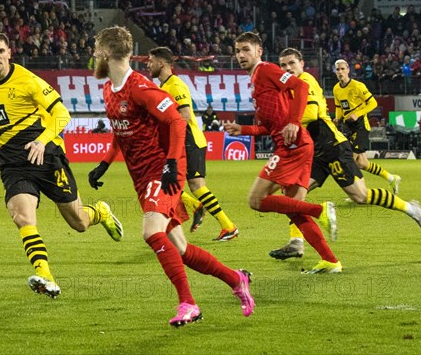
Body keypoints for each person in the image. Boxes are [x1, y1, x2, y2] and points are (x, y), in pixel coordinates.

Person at [87, 26, 253, 327]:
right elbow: (120, 133)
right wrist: (104, 164)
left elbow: (177, 120)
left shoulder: (139, 87)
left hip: (160, 171)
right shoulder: (108, 90)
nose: (94, 56)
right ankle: (236, 279)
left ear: (107, 53)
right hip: (141, 176)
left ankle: (189, 304)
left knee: (152, 232)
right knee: (180, 249)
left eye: (96, 50)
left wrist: (172, 164)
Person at [0, 31, 123, 299]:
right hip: (11, 160)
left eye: (0, 51)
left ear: (9, 53)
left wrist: (42, 141)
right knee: (22, 217)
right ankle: (45, 275)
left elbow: (62, 114)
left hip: (45, 154)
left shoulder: (28, 80)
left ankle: (100, 212)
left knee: (78, 223)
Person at [268, 48, 421, 259]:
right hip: (315, 151)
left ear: (301, 64)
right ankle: (296, 242)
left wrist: (287, 121)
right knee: (293, 195)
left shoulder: (305, 81)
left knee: (361, 196)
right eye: (283, 65)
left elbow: (311, 112)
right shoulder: (290, 87)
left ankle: (410, 208)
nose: (288, 68)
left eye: (291, 64)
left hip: (332, 147)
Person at [224, 32, 341, 274]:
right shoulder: (257, 79)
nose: (240, 55)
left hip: (292, 147)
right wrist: (242, 129)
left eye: (246, 49)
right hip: (296, 145)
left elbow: (301, 85)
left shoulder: (266, 70)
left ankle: (321, 210)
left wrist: (295, 122)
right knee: (295, 210)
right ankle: (330, 261)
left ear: (259, 51)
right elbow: (271, 126)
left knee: (256, 200)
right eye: (237, 51)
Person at [148, 46, 239, 241]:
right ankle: (196, 207)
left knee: (197, 185)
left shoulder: (175, 85)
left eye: (150, 61)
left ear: (161, 63)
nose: (148, 64)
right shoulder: (163, 87)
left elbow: (185, 114)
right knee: (164, 180)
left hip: (189, 140)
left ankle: (228, 226)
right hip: (179, 142)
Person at [333, 59, 402, 193]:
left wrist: (357, 114)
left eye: (342, 69)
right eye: (337, 69)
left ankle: (358, 192)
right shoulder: (336, 88)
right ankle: (391, 178)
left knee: (350, 160)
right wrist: (337, 118)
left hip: (360, 126)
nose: (340, 72)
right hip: (348, 125)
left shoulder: (358, 86)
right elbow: (339, 107)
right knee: (362, 163)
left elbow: (373, 103)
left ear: (348, 70)